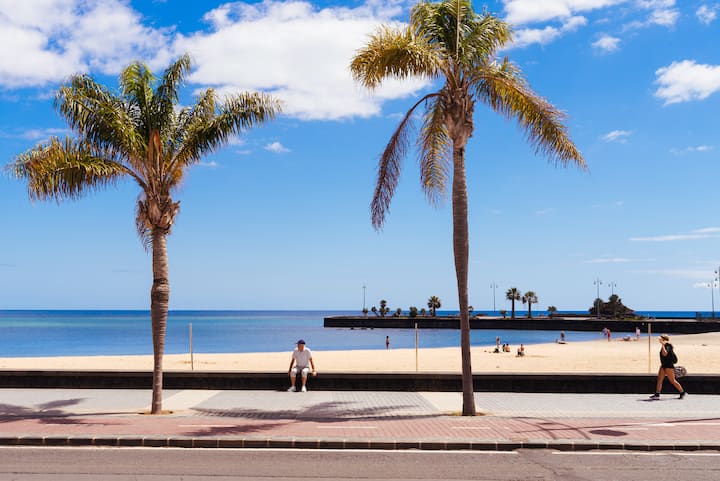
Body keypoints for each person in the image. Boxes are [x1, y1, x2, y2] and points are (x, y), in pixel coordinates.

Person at [650, 334, 685, 400]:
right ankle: (657, 394)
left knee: (672, 380)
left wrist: (662, 345)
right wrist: (662, 345)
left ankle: (682, 392)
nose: (659, 340)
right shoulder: (664, 345)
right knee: (659, 379)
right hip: (663, 365)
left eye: (660, 339)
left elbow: (665, 354)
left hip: (669, 366)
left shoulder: (668, 345)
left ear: (664, 339)